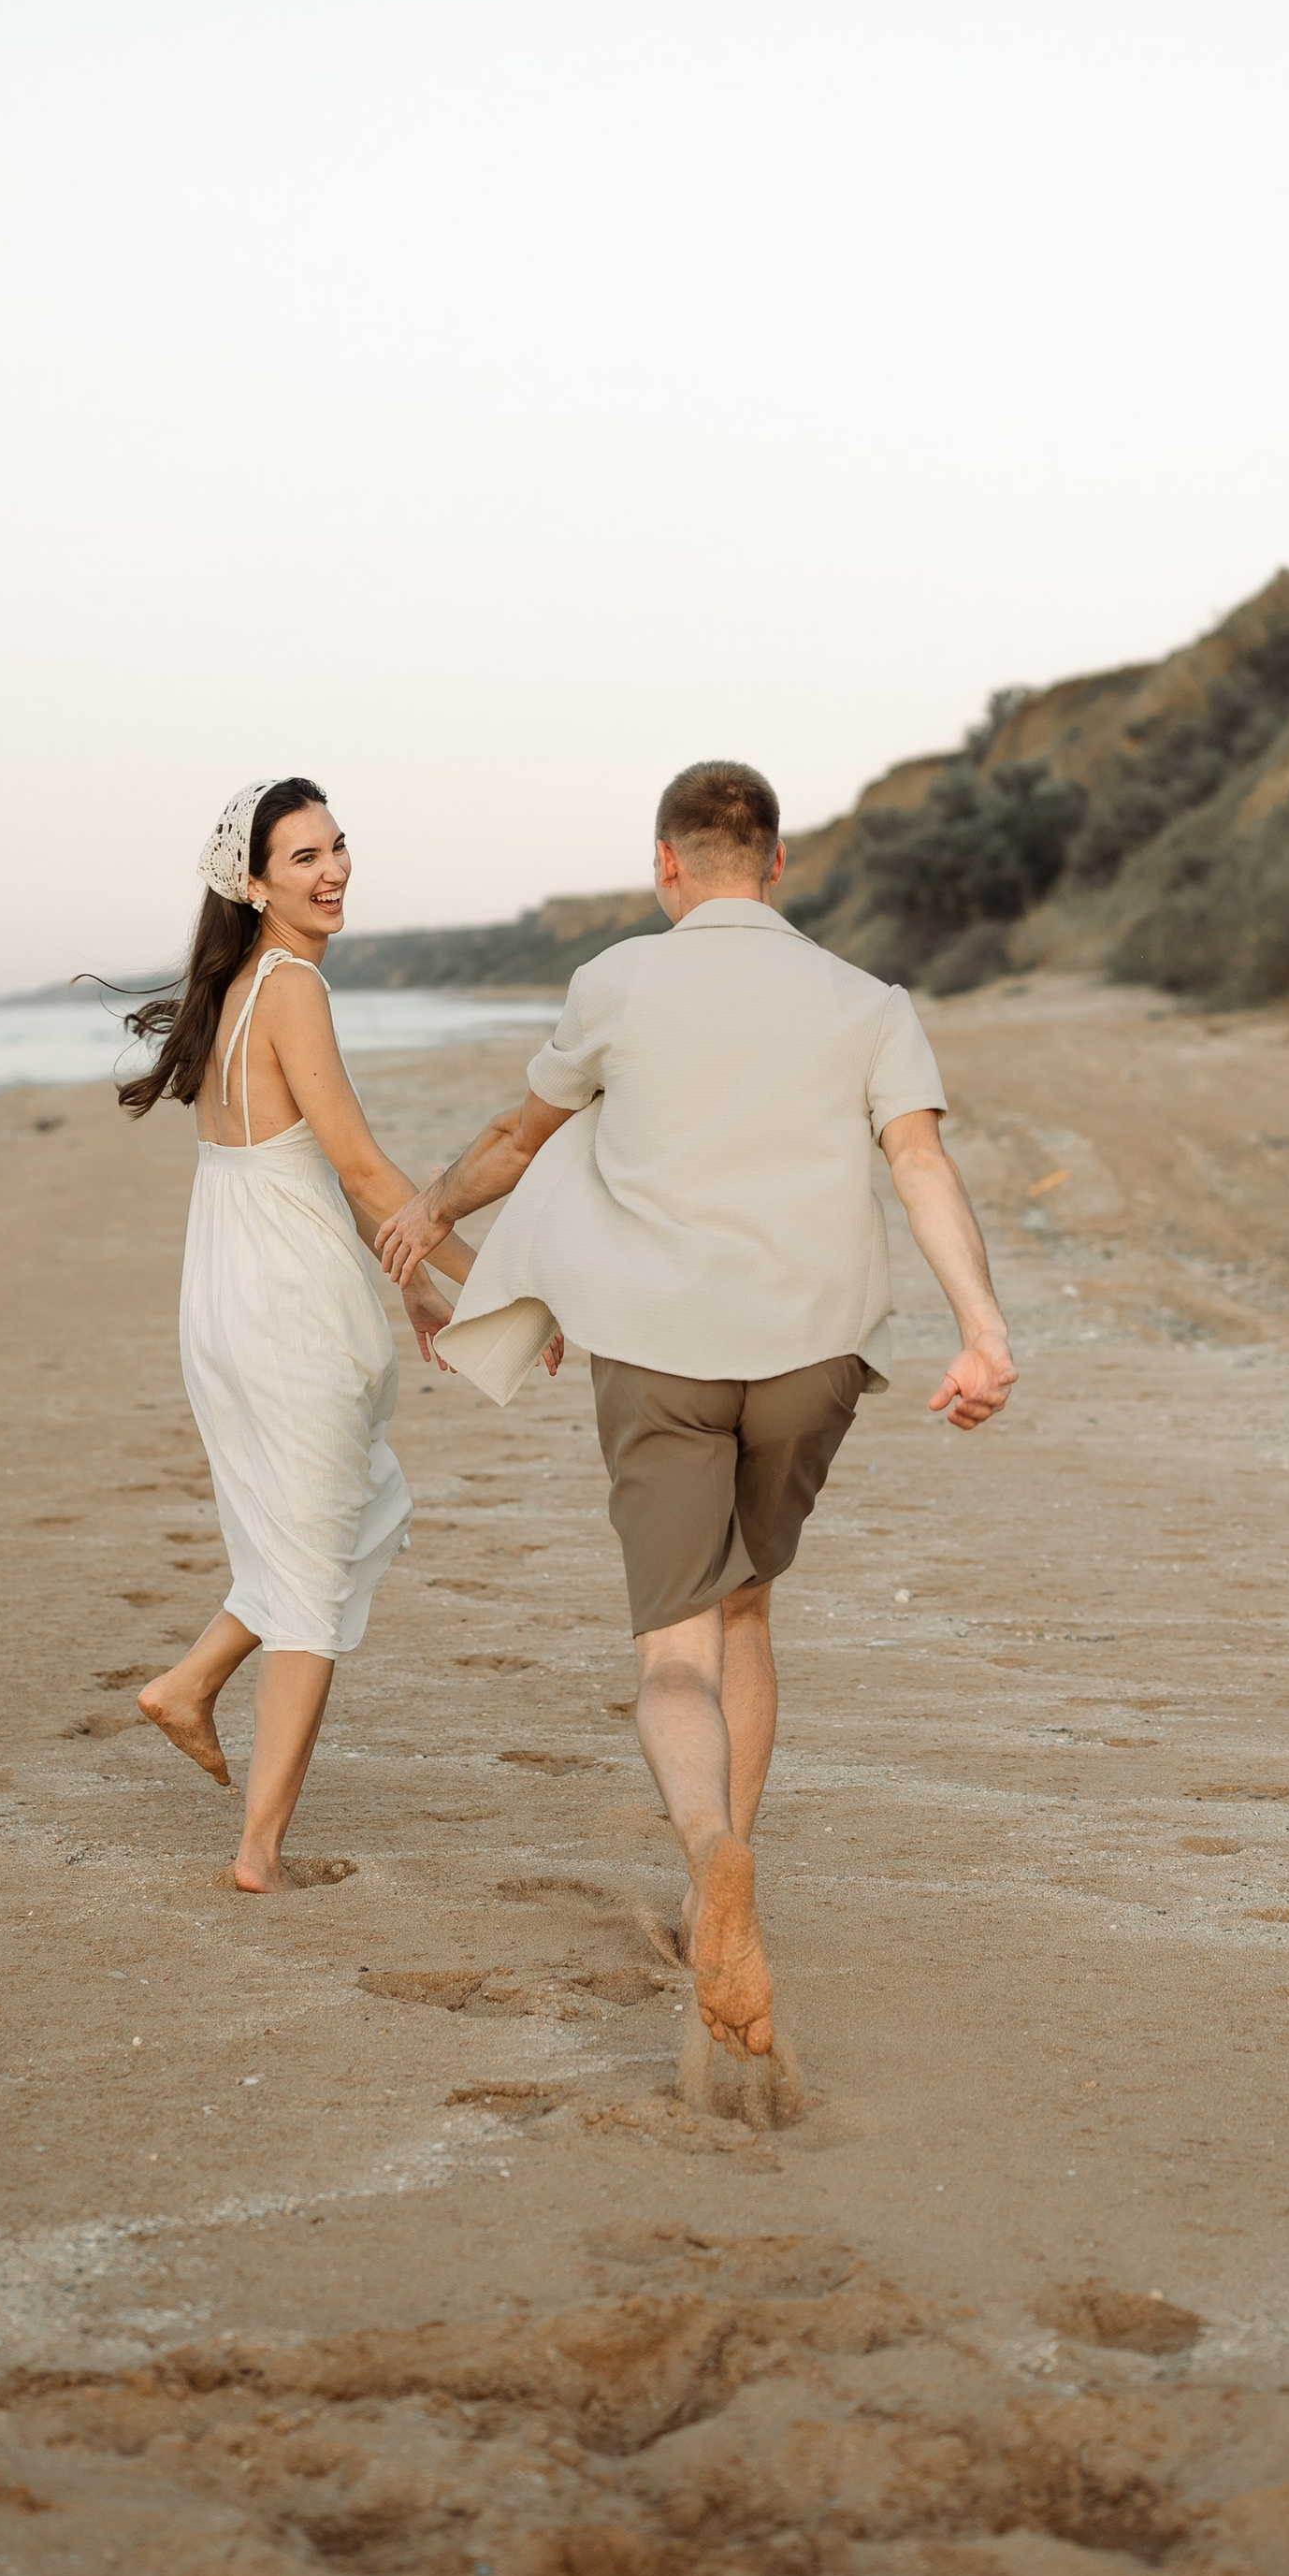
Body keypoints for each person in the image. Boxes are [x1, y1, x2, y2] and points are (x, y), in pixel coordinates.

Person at [378, 759, 1014, 2058]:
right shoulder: (867, 1001)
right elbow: (919, 1160)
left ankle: (712, 1850)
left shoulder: (616, 981)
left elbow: (521, 1135)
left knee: (674, 1651)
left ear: (665, 864)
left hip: (658, 1345)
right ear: (777, 864)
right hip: (811, 1348)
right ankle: (725, 1878)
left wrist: (431, 1210)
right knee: (747, 1607)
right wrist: (982, 1330)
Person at [118, 778, 534, 1890]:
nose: (334, 868)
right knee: (310, 1568)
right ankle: (259, 1851)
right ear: (254, 884)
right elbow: (361, 1165)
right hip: (284, 1306)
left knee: (323, 1529)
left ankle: (187, 1685)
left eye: (337, 846)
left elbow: (312, 1171)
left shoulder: (239, 988)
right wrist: (500, 1284)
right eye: (303, 856)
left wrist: (412, 1282)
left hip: (231, 1291)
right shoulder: (292, 985)